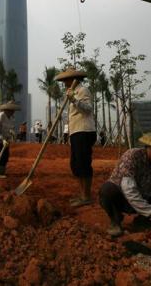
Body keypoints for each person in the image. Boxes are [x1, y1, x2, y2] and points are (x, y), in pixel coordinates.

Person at [55, 67, 96, 208]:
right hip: (75, 132)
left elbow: (88, 108)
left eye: (66, 79)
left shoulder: (83, 90)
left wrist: (74, 99)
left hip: (84, 131)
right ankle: (82, 194)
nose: (64, 82)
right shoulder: (72, 92)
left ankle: (86, 196)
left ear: (73, 79)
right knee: (76, 164)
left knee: (83, 164)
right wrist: (72, 97)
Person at [0, 100, 19, 178]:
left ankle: (2, 171)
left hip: (5, 139)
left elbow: (10, 128)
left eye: (13, 111)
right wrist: (2, 140)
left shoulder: (12, 118)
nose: (13, 112)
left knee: (6, 155)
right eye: (11, 110)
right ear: (6, 110)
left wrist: (12, 133)